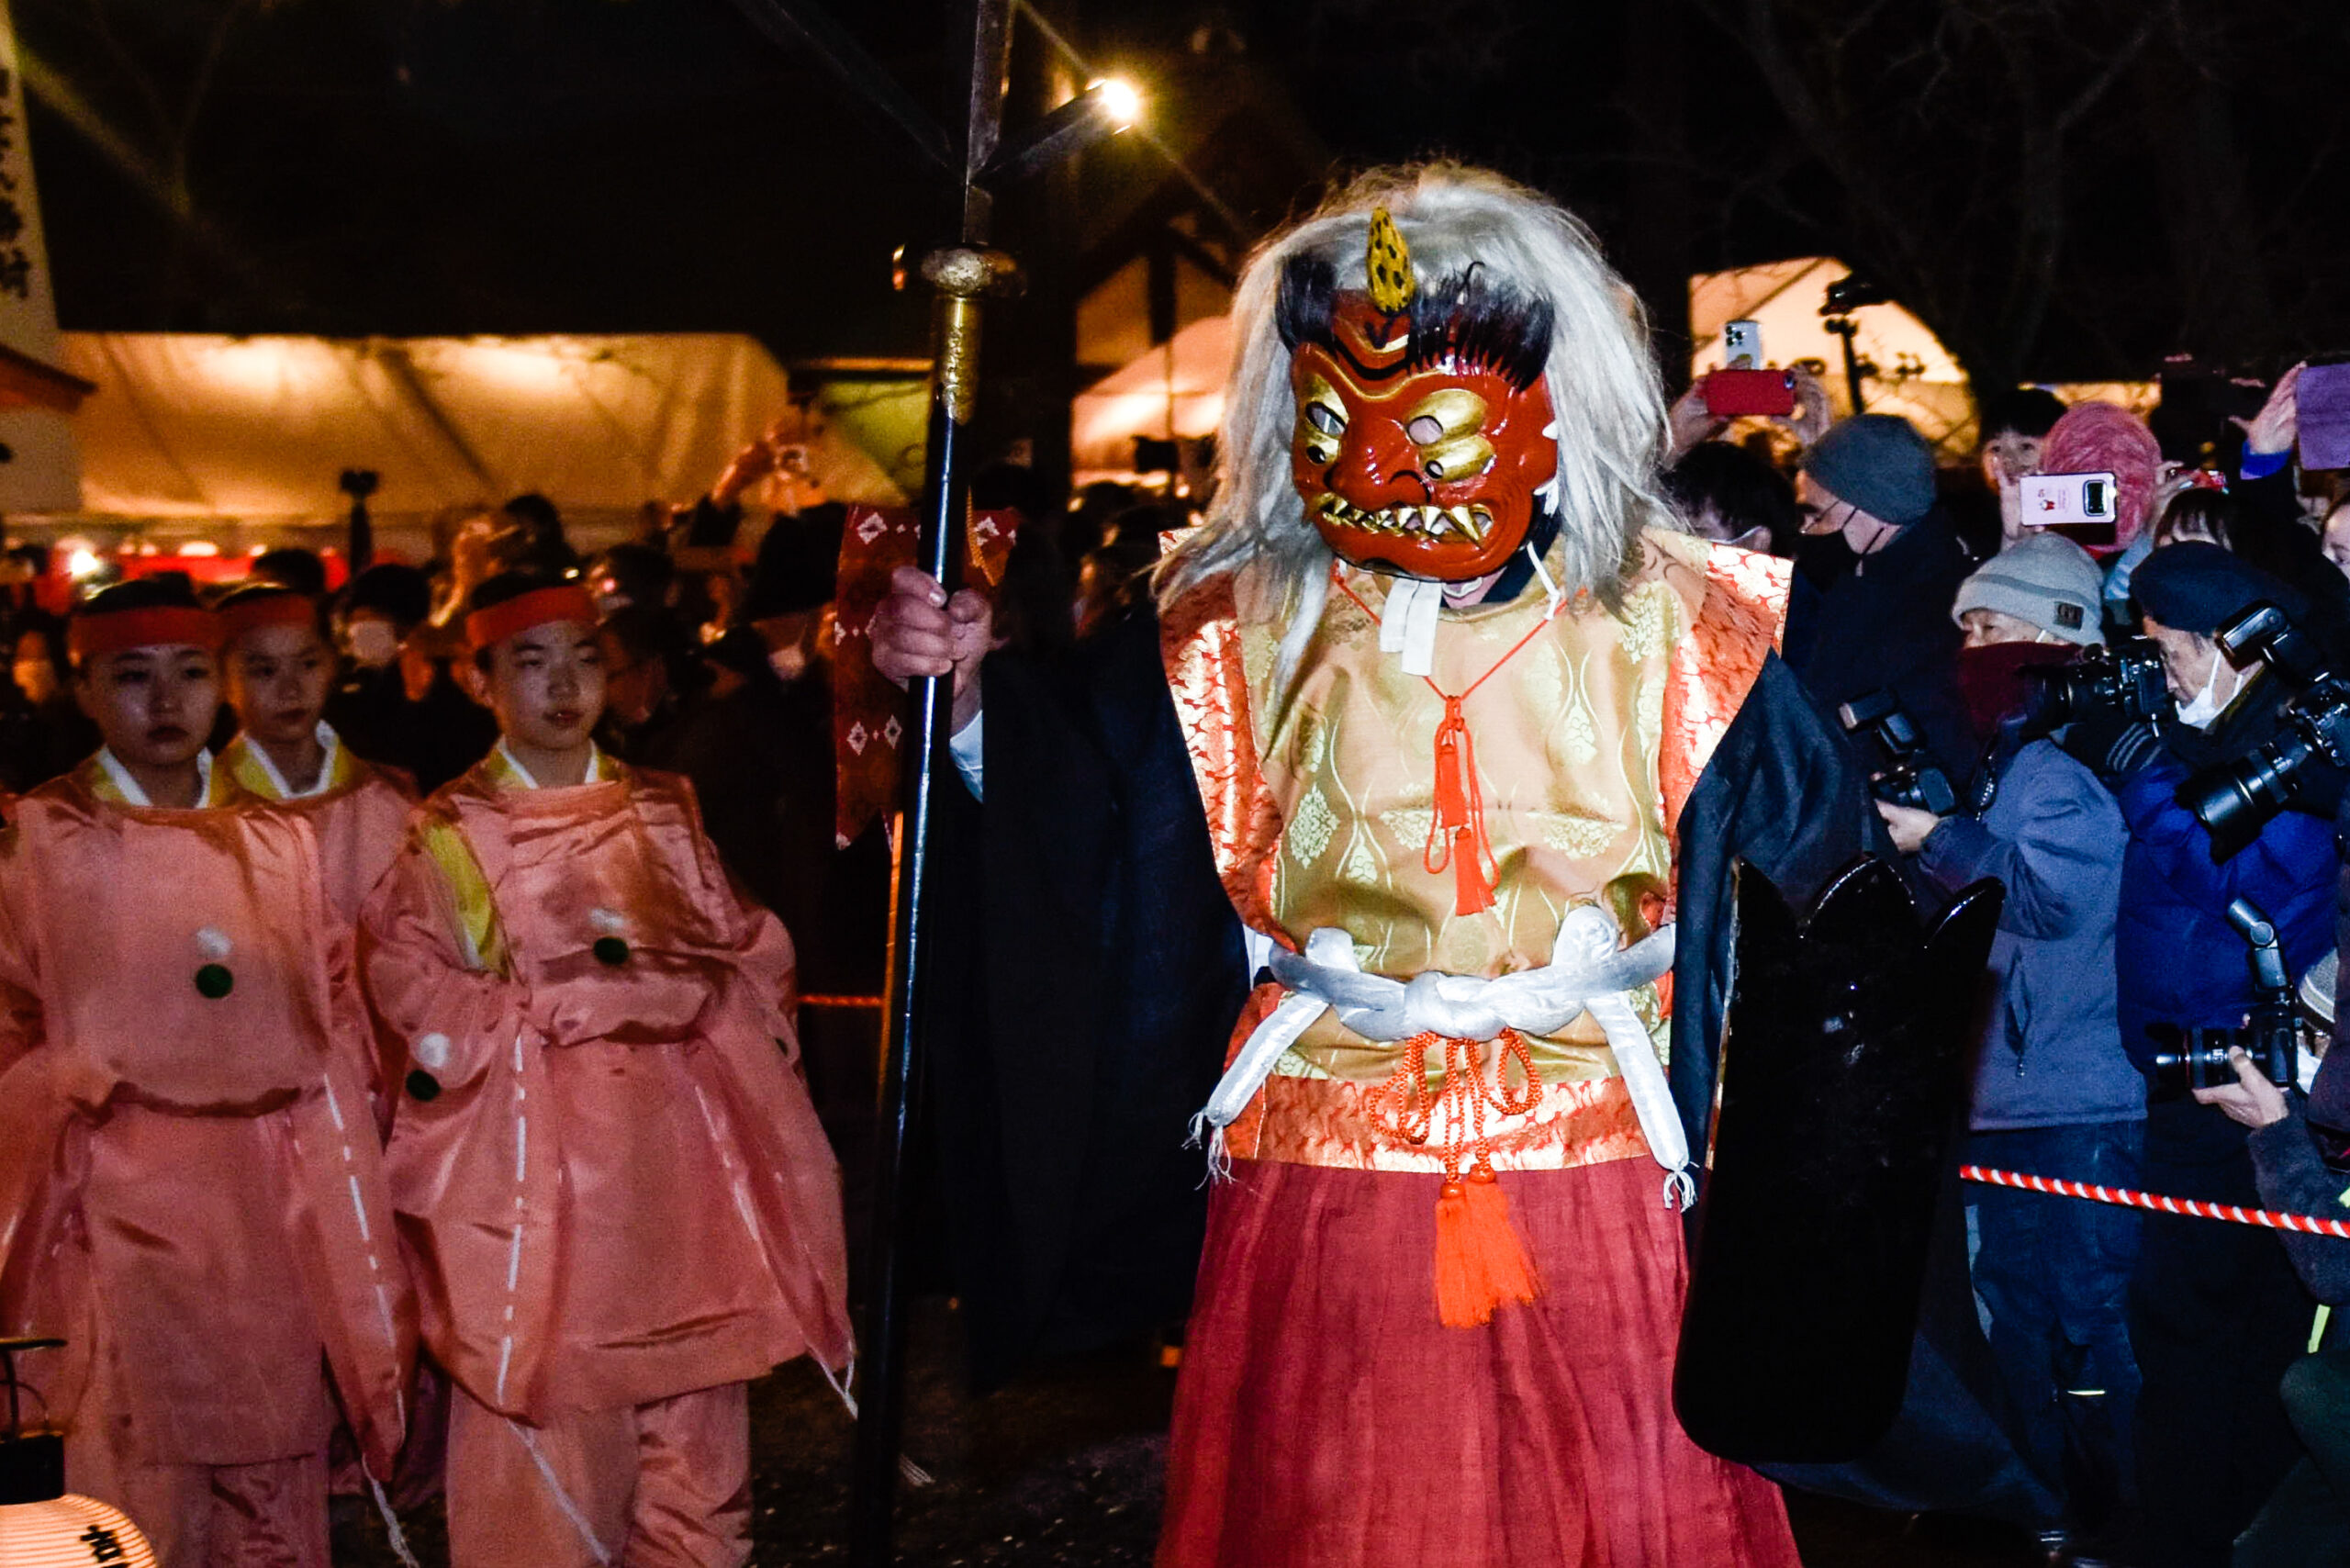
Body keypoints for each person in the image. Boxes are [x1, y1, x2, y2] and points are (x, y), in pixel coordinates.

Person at [873, 164, 2026, 1565]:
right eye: (1336, 420)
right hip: (1325, 1171)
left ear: (1548, 413)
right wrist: (974, 702)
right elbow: (1090, 830)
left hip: (1603, 1167)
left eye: (1435, 423)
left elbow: (1813, 901)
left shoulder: (1681, 630)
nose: (1392, 471)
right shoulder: (1235, 630)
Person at [358, 571, 850, 1567]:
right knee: (552, 1446)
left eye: (585, 658)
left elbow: (751, 944)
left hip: (680, 1164)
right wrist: (540, 1013)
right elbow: (408, 983)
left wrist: (706, 991)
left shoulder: (665, 806)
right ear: (478, 677)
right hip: (543, 1180)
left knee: (699, 1445)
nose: (564, 684)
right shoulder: (450, 829)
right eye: (532, 663)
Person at [0, 577, 411, 1565]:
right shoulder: (39, 841)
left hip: (270, 1208)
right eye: (133, 678)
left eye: (189, 673)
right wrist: (69, 1087)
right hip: (112, 1212)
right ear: (85, 689)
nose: (167, 701)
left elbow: (338, 1012)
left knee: (274, 1478)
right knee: (134, 1484)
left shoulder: (277, 837)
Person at [2072, 542, 2336, 1568]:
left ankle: (2220, 1533)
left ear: (2230, 649)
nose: (2162, 673)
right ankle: (2186, 1525)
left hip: (2261, 1087)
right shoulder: (2200, 727)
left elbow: (2249, 888)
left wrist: (2141, 776)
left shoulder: (2301, 751)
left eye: (2171, 652)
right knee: (2182, 1324)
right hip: (2186, 1074)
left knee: (2236, 1329)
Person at [1876, 532, 2142, 1536]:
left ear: (2049, 634)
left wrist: (1932, 838)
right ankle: (2051, 1512)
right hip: (2018, 1093)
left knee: (2089, 1328)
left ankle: (2113, 1516)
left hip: (2075, 1096)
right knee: (2021, 1325)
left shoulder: (2056, 766)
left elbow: (2047, 900)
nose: (1969, 648)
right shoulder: (2015, 758)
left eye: (1987, 627)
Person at [1790, 410, 1977, 781]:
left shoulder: (1938, 612)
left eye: (1817, 514)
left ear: (1876, 508)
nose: (1806, 529)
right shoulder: (1875, 577)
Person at [217, 583, 418, 924]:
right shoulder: (203, 812)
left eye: (308, 664)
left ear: (332, 664)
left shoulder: (392, 798)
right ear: (220, 679)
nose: (291, 689)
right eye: (264, 671)